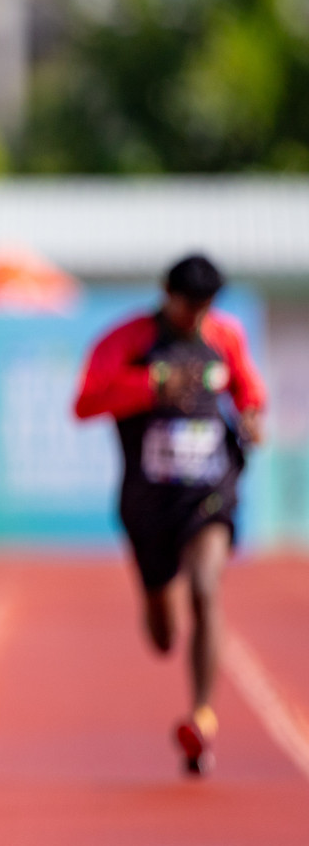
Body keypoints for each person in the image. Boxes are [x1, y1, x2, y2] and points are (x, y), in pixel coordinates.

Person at [74, 254, 266, 776]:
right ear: (165, 293)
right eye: (188, 306)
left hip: (209, 491)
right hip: (148, 500)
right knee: (163, 633)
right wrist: (152, 387)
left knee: (206, 587)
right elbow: (86, 401)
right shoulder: (128, 340)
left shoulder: (225, 336)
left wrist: (251, 416)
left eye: (205, 307)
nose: (195, 318)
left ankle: (201, 717)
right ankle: (157, 604)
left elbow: (249, 391)